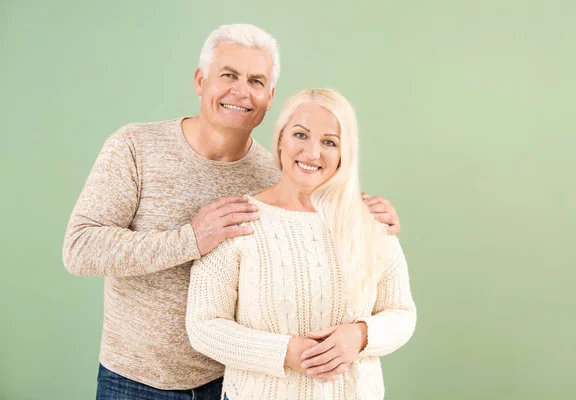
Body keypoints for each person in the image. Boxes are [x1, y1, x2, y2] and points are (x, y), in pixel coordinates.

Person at [62, 24, 401, 399]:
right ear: (200, 80)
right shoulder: (135, 147)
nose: (241, 91)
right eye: (228, 75)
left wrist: (367, 213)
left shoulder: (275, 174)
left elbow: (321, 200)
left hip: (235, 379)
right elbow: (79, 249)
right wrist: (190, 240)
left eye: (256, 81)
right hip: (137, 378)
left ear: (270, 98)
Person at [186, 88, 417, 400]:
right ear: (280, 140)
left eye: (329, 142)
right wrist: (284, 352)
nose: (311, 153)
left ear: (344, 153)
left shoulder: (370, 221)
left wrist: (360, 336)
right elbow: (204, 326)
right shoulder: (238, 219)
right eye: (300, 135)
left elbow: (402, 313)